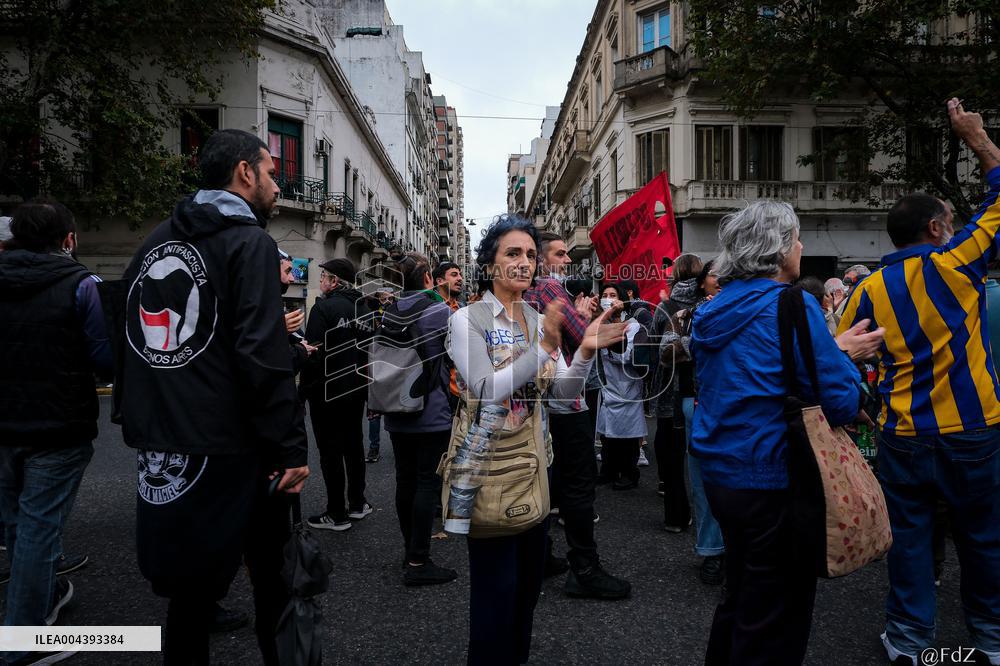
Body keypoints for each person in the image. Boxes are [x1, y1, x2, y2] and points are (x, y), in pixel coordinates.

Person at [118, 129, 309, 665]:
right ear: (245, 173)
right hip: (237, 447)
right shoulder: (250, 244)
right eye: (271, 171)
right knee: (273, 584)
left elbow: (127, 337)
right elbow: (261, 353)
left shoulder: (156, 240)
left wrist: (143, 419)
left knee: (189, 599)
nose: (277, 183)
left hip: (171, 444)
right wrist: (290, 448)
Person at [839, 98, 1000, 666]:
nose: (956, 228)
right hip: (974, 429)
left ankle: (909, 641)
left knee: (910, 537)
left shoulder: (865, 290)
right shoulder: (958, 263)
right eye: (950, 222)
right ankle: (991, 637)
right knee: (983, 536)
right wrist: (978, 141)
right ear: (936, 228)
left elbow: (842, 356)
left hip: (903, 434)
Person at [690, 200, 883, 665]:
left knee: (742, 595)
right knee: (777, 611)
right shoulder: (791, 304)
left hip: (720, 470)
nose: (801, 246)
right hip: (773, 472)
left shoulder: (712, 309)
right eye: (796, 238)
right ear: (777, 250)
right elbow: (837, 398)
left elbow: (754, 374)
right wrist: (844, 356)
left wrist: (831, 351)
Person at [447, 215, 627, 664]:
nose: (525, 262)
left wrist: (584, 350)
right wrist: (545, 347)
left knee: (526, 597)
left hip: (535, 475)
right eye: (513, 253)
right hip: (489, 475)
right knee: (495, 599)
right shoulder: (467, 320)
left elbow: (563, 394)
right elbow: (488, 388)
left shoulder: (535, 318)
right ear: (490, 264)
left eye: (530, 254)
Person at [0, 199, 111, 665]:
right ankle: (23, 641)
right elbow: (104, 358)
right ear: (68, 240)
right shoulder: (83, 285)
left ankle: (43, 592)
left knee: (17, 520)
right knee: (39, 529)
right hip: (58, 425)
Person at [523, 230, 631, 599]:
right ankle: (584, 568)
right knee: (578, 485)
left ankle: (542, 557)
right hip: (564, 403)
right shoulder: (550, 291)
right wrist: (589, 320)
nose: (567, 261)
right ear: (541, 259)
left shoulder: (527, 295)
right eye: (560, 254)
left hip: (541, 404)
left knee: (545, 483)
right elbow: (582, 336)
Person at [382, 252, 458, 586]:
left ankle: (408, 549)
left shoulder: (389, 310)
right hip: (431, 407)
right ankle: (418, 560)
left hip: (396, 405)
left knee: (405, 479)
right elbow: (453, 356)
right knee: (428, 480)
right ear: (428, 276)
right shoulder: (440, 310)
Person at [661, 259, 727, 585]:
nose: (722, 279)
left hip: (736, 406)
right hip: (695, 401)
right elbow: (664, 352)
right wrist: (700, 339)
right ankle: (712, 551)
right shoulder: (683, 316)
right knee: (702, 481)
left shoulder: (742, 309)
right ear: (702, 282)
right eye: (716, 274)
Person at [301, 257, 374, 531]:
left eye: (323, 277)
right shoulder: (364, 307)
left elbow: (313, 352)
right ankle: (357, 504)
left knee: (330, 451)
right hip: (355, 389)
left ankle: (336, 513)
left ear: (334, 281)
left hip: (326, 391)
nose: (320, 282)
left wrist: (303, 391)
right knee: (354, 446)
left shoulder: (323, 308)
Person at [651, 253, 701, 530]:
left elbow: (652, 346)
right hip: (702, 391)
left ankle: (675, 516)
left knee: (671, 456)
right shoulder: (710, 304)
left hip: (669, 389)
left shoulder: (664, 307)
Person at [595, 283, 646, 491]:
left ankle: (629, 473)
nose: (608, 298)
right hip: (608, 385)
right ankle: (608, 470)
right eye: (604, 295)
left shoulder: (633, 326)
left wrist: (610, 345)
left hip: (627, 385)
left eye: (612, 295)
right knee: (607, 434)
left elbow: (629, 356)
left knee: (627, 435)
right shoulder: (599, 324)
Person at [366, 288, 394, 463]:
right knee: (374, 411)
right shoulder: (371, 315)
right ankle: (374, 447)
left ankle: (397, 444)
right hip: (375, 365)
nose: (388, 302)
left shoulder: (398, 314)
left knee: (394, 408)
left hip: (394, 365)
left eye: (390, 298)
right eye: (384, 299)